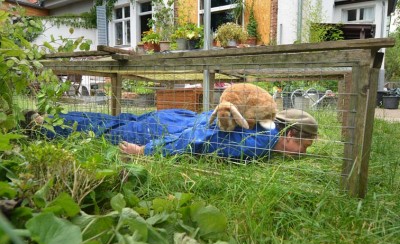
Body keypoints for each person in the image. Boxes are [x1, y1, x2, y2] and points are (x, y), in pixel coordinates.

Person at [23, 108, 318, 160]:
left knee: (116, 121)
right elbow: (200, 140)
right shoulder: (261, 141)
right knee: (106, 132)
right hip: (175, 129)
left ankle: (48, 119)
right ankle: (41, 124)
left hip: (178, 116)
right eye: (302, 147)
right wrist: (146, 151)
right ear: (290, 134)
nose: (301, 153)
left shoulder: (263, 122)